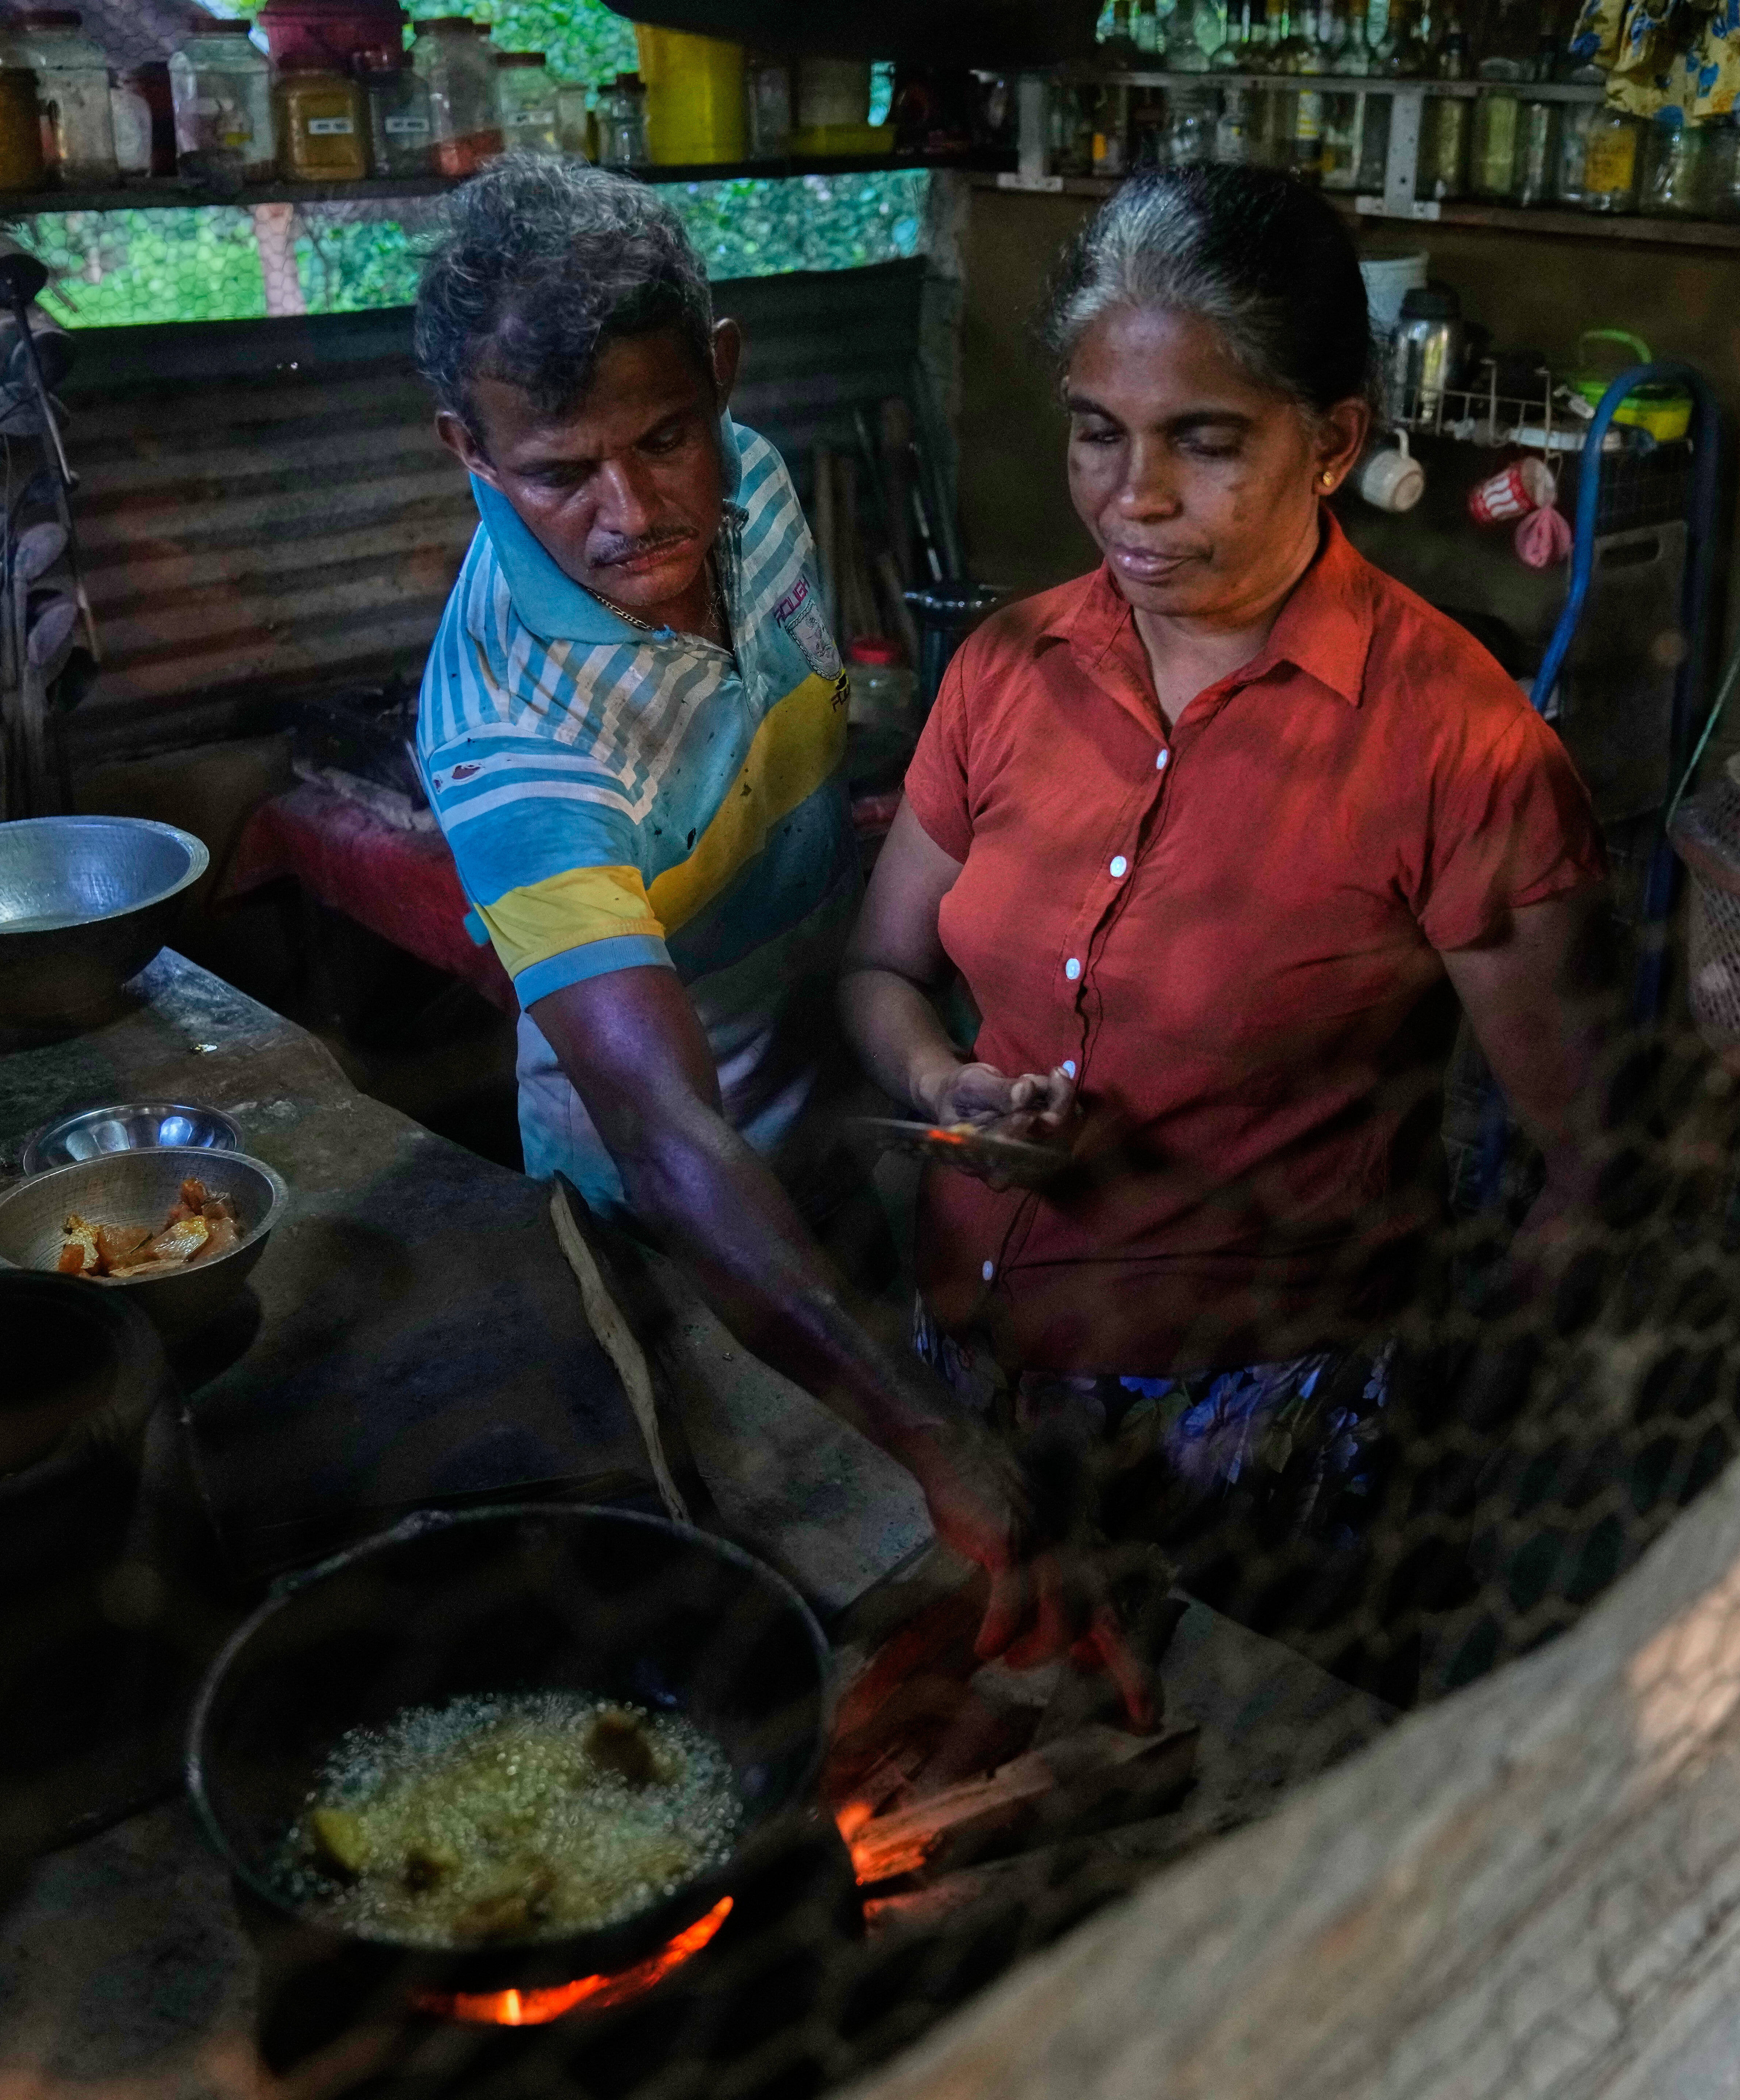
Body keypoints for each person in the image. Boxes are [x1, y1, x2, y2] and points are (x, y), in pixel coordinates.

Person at [409, 159, 1156, 1722]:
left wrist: (913, 1039)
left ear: (723, 378)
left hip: (846, 1080)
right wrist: (924, 1433)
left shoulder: (747, 482)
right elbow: (670, 1129)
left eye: (663, 437)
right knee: (804, 1583)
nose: (635, 515)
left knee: (987, 1520)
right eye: (557, 474)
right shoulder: (508, 735)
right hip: (679, 1201)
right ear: (464, 455)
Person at [840, 167, 1612, 1561]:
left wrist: (1476, 1412)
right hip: (970, 1357)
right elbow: (882, 968)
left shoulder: (1457, 743)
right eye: (1096, 435)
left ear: (1331, 444)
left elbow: (1582, 1161)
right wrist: (945, 1084)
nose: (1132, 499)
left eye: (1202, 442)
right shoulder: (1004, 672)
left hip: (1255, 1423)